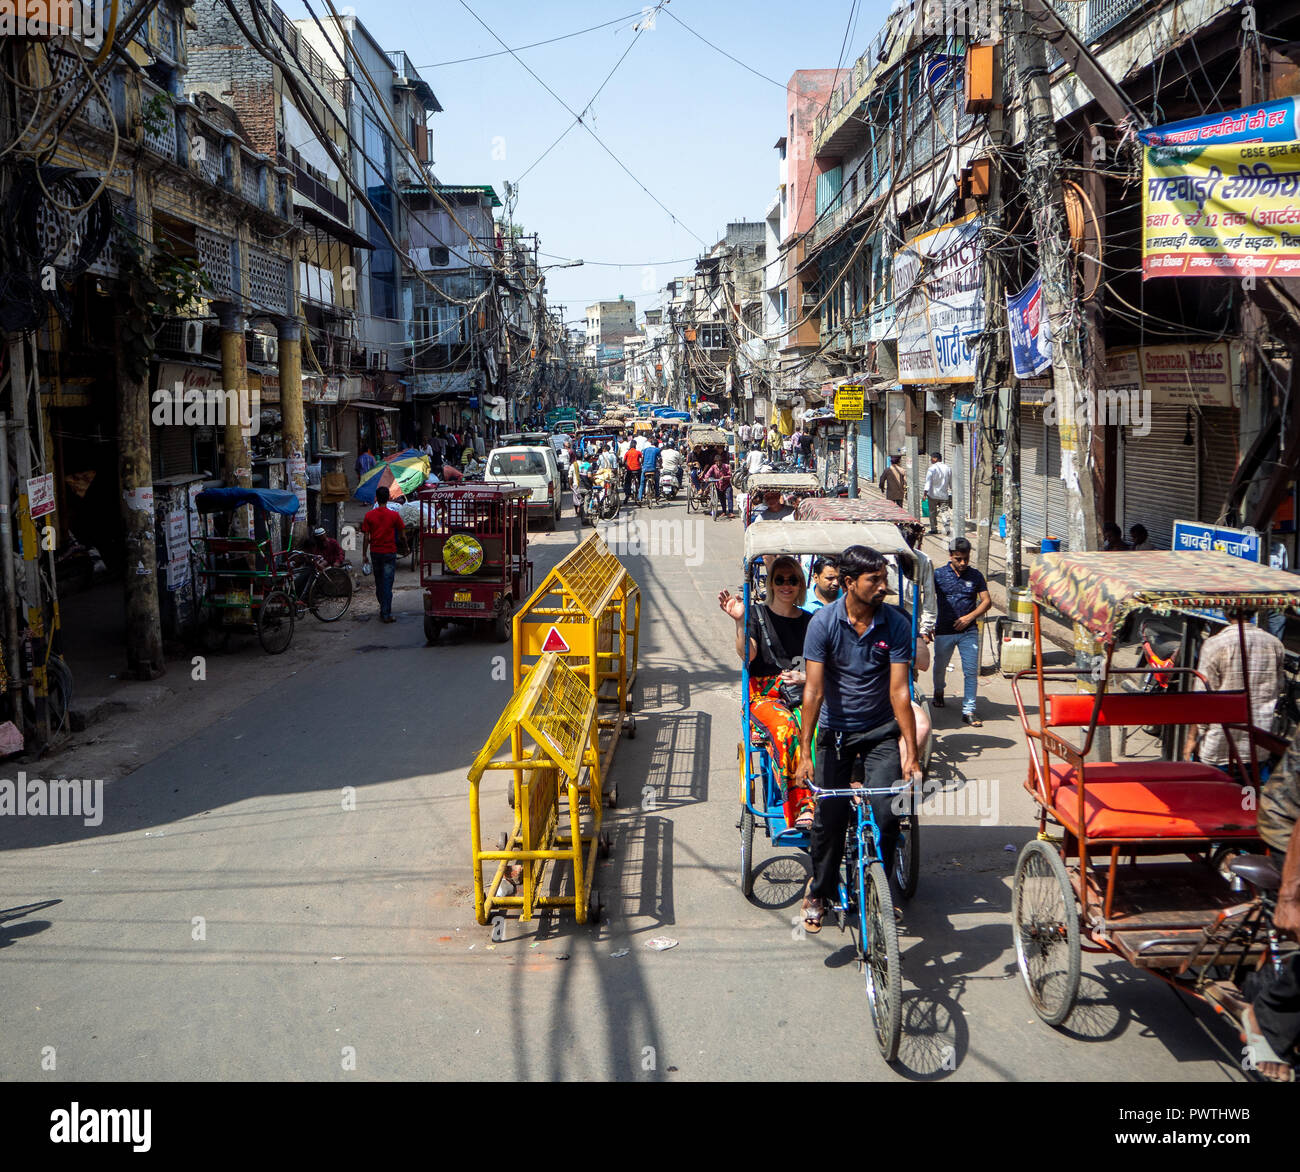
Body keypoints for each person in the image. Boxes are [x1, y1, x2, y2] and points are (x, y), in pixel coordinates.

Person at [795, 545, 921, 933]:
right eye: (875, 580)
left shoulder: (896, 623)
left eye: (885, 578)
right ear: (849, 583)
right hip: (834, 735)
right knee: (828, 822)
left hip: (881, 733)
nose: (883, 587)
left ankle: (878, 888)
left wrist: (911, 754)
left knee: (887, 815)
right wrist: (805, 753)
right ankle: (820, 891)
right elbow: (812, 692)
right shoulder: (824, 624)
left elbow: (901, 693)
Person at [718, 557, 816, 831]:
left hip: (802, 691)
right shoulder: (756, 615)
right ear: (770, 584)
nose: (786, 585)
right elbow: (747, 654)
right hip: (765, 698)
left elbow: (821, 666)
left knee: (826, 726)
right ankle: (802, 806)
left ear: (800, 584)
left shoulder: (811, 622)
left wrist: (804, 678)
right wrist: (739, 622)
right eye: (780, 580)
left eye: (792, 580)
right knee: (786, 728)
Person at [1184, 610, 1285, 780]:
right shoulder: (1274, 644)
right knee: (1249, 800)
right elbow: (1278, 687)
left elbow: (1203, 699)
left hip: (1219, 746)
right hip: (1259, 744)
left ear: (1224, 612)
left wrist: (1191, 739)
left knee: (1215, 799)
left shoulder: (1214, 644)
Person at [932, 537, 992, 725]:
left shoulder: (975, 576)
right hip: (943, 630)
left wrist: (969, 618)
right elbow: (925, 597)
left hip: (969, 632)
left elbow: (987, 601)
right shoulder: (938, 575)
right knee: (940, 666)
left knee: (970, 671)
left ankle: (969, 710)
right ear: (950, 556)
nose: (963, 563)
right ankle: (939, 690)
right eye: (959, 559)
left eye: (966, 558)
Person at [361, 485, 405, 624]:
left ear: (377, 498)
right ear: (388, 498)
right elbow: (403, 534)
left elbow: (366, 537)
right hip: (389, 552)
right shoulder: (394, 515)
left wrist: (364, 554)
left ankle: (383, 608)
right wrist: (407, 547)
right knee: (387, 584)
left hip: (375, 552)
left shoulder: (369, 515)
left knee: (379, 582)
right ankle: (386, 613)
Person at [924, 451, 953, 537]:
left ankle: (934, 528)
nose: (930, 460)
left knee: (932, 512)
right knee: (944, 511)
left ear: (935, 459)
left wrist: (925, 493)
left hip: (932, 495)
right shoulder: (948, 468)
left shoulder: (931, 469)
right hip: (944, 495)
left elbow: (928, 482)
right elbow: (951, 482)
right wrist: (952, 492)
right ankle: (947, 528)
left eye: (931, 458)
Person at [640, 437, 661, 502]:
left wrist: (642, 464)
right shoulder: (657, 450)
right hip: (653, 469)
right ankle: (657, 496)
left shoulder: (645, 450)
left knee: (642, 483)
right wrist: (661, 465)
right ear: (657, 444)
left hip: (645, 469)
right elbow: (660, 459)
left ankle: (639, 498)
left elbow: (642, 459)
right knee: (657, 481)